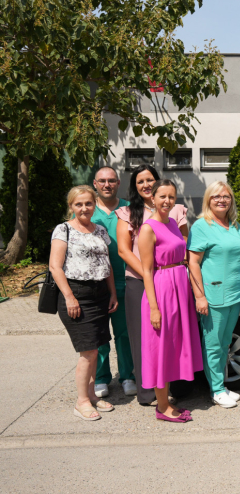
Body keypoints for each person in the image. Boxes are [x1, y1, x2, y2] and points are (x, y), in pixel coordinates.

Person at [116, 165, 188, 406]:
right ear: (135, 186)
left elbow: (183, 241)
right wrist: (152, 275)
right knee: (144, 339)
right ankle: (147, 392)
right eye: (140, 181)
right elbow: (124, 250)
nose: (146, 185)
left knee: (172, 335)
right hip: (139, 281)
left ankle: (173, 386)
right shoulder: (127, 213)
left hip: (170, 281)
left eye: (150, 180)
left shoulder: (175, 209)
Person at [50, 186, 118, 420]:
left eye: (88, 203)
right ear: (71, 206)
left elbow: (107, 264)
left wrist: (112, 293)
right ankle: (81, 402)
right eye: (78, 204)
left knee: (95, 348)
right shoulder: (63, 229)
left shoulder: (100, 230)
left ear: (94, 205)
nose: (84, 208)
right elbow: (55, 267)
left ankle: (91, 395)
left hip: (100, 294)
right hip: (77, 293)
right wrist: (70, 297)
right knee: (87, 351)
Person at [139, 179, 203, 422]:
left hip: (179, 287)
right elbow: (147, 271)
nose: (167, 201)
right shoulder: (148, 228)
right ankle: (162, 407)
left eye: (171, 197)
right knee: (160, 348)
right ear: (152, 198)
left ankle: (166, 401)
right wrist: (154, 308)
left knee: (172, 346)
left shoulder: (174, 223)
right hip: (162, 290)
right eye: (162, 196)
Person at [188, 181, 240, 409]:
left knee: (225, 342)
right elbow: (193, 263)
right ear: (208, 200)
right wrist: (199, 296)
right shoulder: (201, 226)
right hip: (213, 295)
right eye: (216, 196)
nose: (221, 200)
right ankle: (216, 390)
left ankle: (221, 385)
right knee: (213, 344)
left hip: (234, 293)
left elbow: (239, 261)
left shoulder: (235, 225)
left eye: (226, 196)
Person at [91, 167, 136, 399]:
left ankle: (128, 376)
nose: (107, 185)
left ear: (118, 183)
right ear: (95, 184)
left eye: (111, 181)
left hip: (126, 279)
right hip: (97, 284)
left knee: (124, 333)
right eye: (102, 181)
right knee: (99, 335)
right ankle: (101, 378)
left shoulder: (130, 208)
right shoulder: (87, 209)